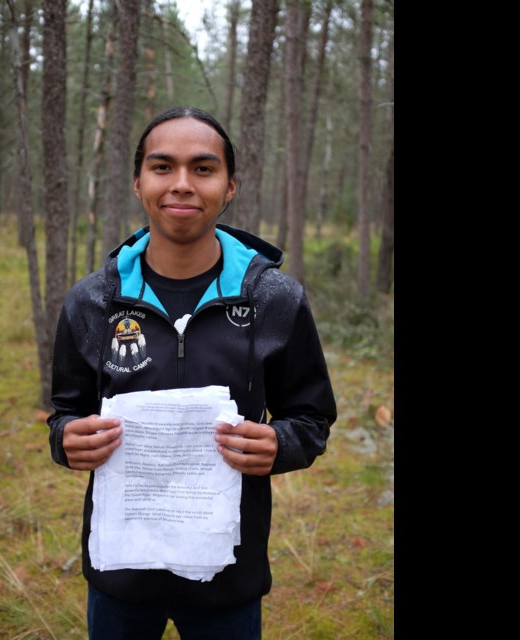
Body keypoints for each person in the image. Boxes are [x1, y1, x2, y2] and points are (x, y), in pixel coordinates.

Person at [47, 106, 336, 639]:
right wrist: (66, 438)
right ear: (138, 183)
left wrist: (281, 443)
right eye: (163, 167)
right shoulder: (93, 301)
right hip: (121, 574)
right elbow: (66, 411)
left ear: (230, 187)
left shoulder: (275, 299)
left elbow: (311, 417)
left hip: (228, 574)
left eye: (203, 169)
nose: (182, 184)